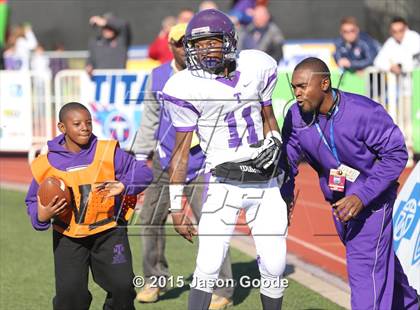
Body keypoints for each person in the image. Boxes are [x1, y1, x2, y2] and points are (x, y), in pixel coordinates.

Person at [163, 9, 287, 310]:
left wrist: (276, 139)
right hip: (223, 182)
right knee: (207, 265)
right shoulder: (184, 86)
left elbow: (268, 115)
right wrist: (177, 205)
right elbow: (180, 151)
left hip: (265, 181)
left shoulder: (257, 65)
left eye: (211, 41)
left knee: (275, 265)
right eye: (198, 44)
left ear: (229, 40)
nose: (205, 49)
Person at [280, 57, 419, 310]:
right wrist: (284, 194)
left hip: (373, 202)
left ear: (324, 83)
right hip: (340, 204)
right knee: (380, 264)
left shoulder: (363, 112)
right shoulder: (296, 116)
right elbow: (287, 160)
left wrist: (363, 196)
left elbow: (397, 153)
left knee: (365, 271)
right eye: (294, 88)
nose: (297, 94)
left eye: (302, 86)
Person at [134, 22, 234, 309]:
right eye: (178, 43)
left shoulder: (210, 75)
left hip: (204, 162)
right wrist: (142, 156)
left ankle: (223, 289)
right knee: (150, 221)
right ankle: (155, 279)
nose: (183, 48)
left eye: (187, 43)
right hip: (166, 160)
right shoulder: (158, 76)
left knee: (213, 225)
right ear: (171, 46)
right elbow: (150, 118)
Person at [25, 102, 153, 310]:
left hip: (109, 231)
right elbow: (32, 201)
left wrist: (123, 185)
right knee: (70, 297)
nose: (85, 127)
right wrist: (41, 215)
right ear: (62, 127)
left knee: (122, 287)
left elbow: (144, 172)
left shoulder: (107, 152)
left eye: (88, 122)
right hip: (68, 236)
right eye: (77, 123)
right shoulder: (45, 164)